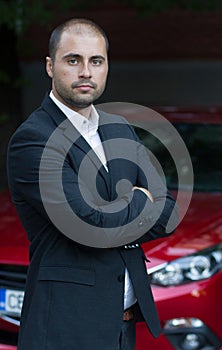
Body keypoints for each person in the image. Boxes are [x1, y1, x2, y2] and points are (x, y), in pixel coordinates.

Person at [7, 18, 178, 350]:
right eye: (73, 60)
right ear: (50, 66)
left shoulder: (118, 128)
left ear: (106, 67)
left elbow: (169, 211)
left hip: (121, 325)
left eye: (95, 61)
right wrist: (141, 201)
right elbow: (86, 222)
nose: (86, 71)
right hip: (67, 327)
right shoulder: (34, 139)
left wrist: (114, 210)